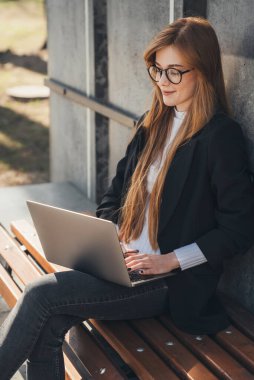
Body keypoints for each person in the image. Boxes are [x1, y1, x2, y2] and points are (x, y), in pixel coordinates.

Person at [1, 16, 254, 380]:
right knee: (50, 320)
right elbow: (113, 195)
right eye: (157, 70)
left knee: (42, 295)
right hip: (120, 266)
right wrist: (112, 238)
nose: (163, 82)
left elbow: (239, 229)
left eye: (175, 72)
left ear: (204, 72)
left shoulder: (220, 138)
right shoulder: (153, 122)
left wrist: (171, 261)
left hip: (167, 284)